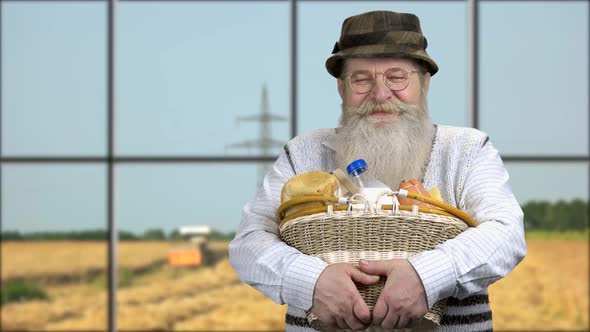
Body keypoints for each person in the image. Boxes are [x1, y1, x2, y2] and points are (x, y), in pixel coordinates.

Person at [229, 10, 526, 331]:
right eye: (361, 79)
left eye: (397, 76)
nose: (381, 94)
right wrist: (311, 281)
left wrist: (425, 277)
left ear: (424, 83)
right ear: (342, 89)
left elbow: (506, 234)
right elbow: (248, 243)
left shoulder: (467, 149)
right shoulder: (303, 152)